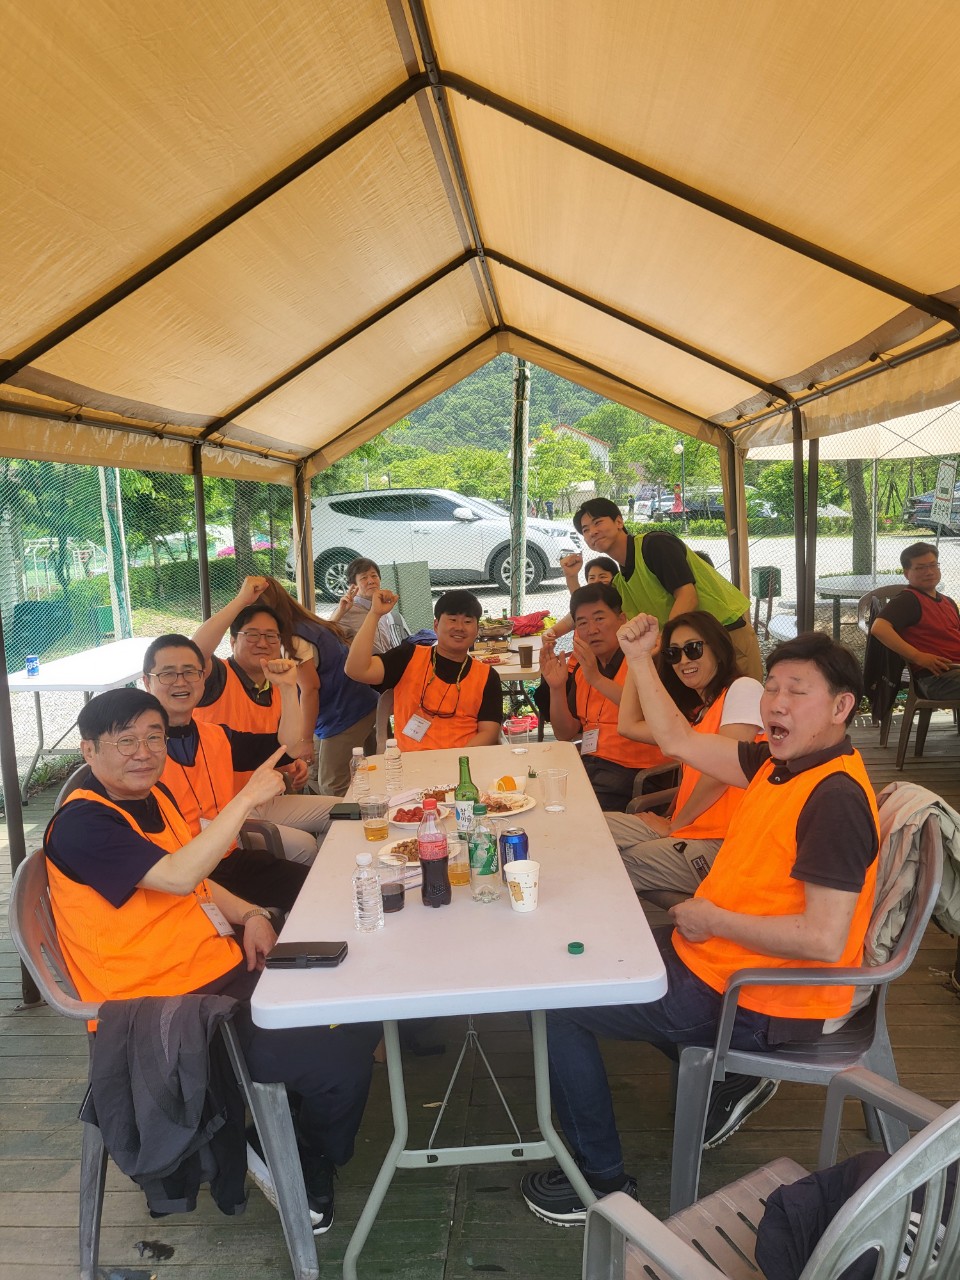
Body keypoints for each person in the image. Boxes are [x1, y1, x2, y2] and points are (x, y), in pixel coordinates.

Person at [520, 621, 879, 1227]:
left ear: (841, 707)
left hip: (758, 996)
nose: (776, 704)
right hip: (718, 965)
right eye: (772, 688)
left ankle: (598, 1181)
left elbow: (825, 939)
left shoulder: (834, 798)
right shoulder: (778, 763)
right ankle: (725, 1077)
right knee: (595, 953)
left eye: (797, 692)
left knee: (556, 1003)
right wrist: (640, 658)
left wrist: (714, 918)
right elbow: (679, 739)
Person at [44, 687, 380, 1234]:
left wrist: (251, 913)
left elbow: (194, 876)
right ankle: (299, 1156)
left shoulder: (152, 795)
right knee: (335, 1051)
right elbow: (178, 876)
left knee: (354, 999)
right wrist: (245, 800)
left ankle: (286, 1141)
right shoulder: (85, 823)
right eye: (125, 741)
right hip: (164, 1008)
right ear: (89, 750)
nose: (144, 752)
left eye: (154, 737)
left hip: (217, 968)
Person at [143, 634, 338, 877]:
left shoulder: (216, 737)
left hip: (228, 858)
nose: (180, 681)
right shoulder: (138, 754)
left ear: (202, 678)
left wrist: (288, 688)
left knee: (315, 886)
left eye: (190, 672)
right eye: (168, 674)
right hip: (180, 872)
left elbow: (289, 749)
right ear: (147, 682)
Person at [605, 611, 763, 906]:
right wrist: (637, 658)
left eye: (693, 648)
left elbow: (721, 772)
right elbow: (627, 725)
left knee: (607, 864)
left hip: (724, 843)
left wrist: (675, 825)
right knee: (587, 828)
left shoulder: (744, 689)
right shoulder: (698, 715)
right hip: (687, 828)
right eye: (673, 654)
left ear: (718, 647)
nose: (683, 661)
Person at [570, 497, 763, 681]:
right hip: (690, 649)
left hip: (726, 636)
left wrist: (663, 642)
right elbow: (589, 607)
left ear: (619, 521)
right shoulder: (621, 582)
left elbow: (688, 596)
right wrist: (571, 579)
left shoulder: (655, 545)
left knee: (742, 700)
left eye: (598, 523)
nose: (592, 532)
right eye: (585, 530)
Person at [538, 583, 668, 810]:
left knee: (573, 812)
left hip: (638, 773)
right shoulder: (585, 668)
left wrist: (596, 679)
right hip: (592, 765)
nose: (592, 630)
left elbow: (648, 714)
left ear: (622, 619)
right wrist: (556, 688)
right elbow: (565, 733)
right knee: (541, 799)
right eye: (582, 623)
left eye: (599, 619)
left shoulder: (647, 658)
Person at [257, 576, 380, 796]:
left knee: (332, 784)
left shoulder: (292, 639)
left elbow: (310, 689)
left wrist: (305, 740)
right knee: (314, 771)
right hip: (356, 702)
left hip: (346, 712)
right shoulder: (305, 622)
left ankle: (355, 815)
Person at [192, 577, 318, 782]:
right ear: (233, 642)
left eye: (271, 636)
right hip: (217, 797)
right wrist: (241, 601)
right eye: (252, 635)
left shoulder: (279, 685)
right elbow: (195, 653)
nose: (262, 643)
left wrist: (290, 763)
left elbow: (290, 747)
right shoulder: (217, 675)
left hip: (263, 793)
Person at [345, 588, 502, 750]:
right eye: (452, 619)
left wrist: (459, 759)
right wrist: (374, 614)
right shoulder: (408, 656)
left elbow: (489, 732)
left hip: (463, 760)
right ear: (436, 625)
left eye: (468, 622)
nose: (460, 627)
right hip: (410, 760)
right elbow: (356, 670)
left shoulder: (487, 676)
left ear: (476, 630)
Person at [870, 541, 960, 699]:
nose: (929, 572)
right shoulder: (909, 600)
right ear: (907, 573)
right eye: (920, 568)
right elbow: (879, 628)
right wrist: (918, 656)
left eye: (933, 565)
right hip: (936, 678)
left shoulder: (948, 602)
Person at [329, 557, 411, 652]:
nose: (371, 581)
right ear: (353, 585)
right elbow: (325, 639)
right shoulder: (346, 610)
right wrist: (339, 613)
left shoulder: (382, 607)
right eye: (364, 578)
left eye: (374, 576)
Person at [541, 555, 620, 644]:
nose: (596, 581)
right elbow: (553, 631)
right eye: (592, 578)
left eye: (602, 577)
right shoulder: (581, 611)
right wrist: (547, 635)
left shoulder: (623, 606)